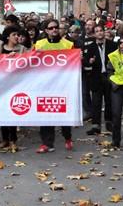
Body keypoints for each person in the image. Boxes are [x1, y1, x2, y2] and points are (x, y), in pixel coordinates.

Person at [35, 19, 74, 153]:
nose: (54, 30)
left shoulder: (68, 44)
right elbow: (33, 61)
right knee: (45, 112)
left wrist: (79, 57)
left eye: (56, 27)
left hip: (63, 84)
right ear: (45, 30)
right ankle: (47, 143)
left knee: (64, 112)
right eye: (51, 28)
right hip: (45, 85)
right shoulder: (39, 44)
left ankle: (68, 138)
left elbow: (74, 61)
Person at [0, 26, 28, 152]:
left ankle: (13, 140)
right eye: (14, 34)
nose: (17, 37)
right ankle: (5, 139)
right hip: (1, 84)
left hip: (15, 84)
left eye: (18, 35)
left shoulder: (22, 49)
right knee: (2, 111)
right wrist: (6, 57)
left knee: (12, 111)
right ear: (8, 36)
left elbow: (28, 63)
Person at [84, 25, 117, 135]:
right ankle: (95, 125)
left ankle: (109, 122)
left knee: (109, 100)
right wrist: (90, 61)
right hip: (96, 77)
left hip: (109, 75)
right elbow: (86, 62)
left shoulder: (112, 45)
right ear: (94, 34)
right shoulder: (91, 46)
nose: (99, 33)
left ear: (104, 32)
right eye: (97, 31)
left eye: (101, 30)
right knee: (96, 102)